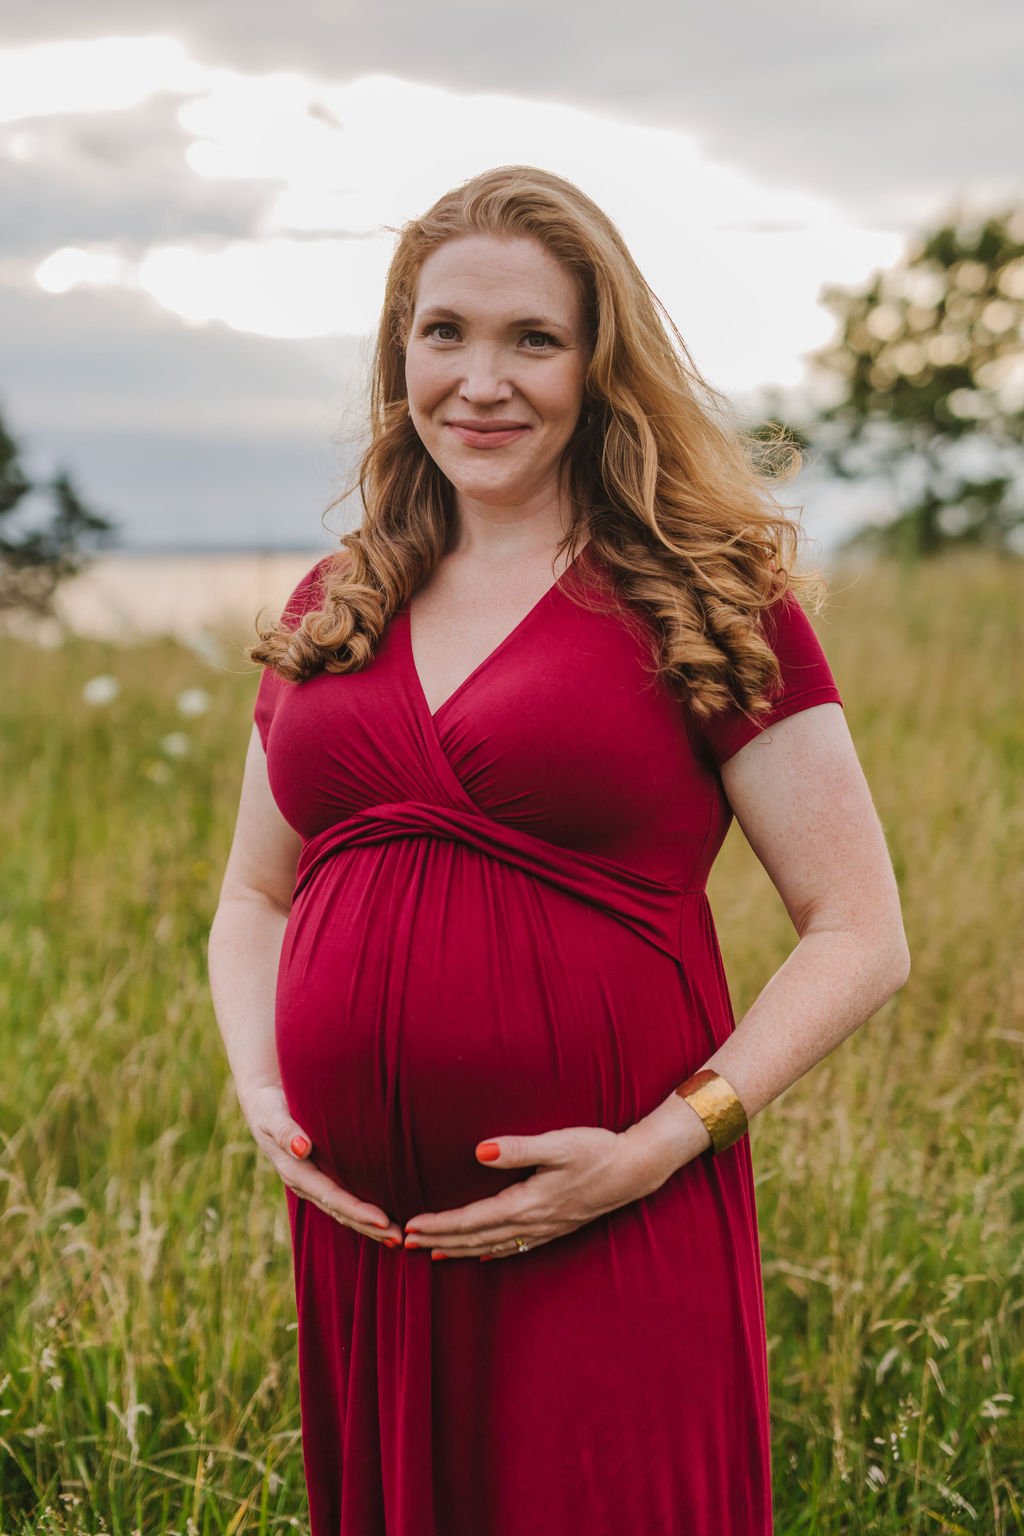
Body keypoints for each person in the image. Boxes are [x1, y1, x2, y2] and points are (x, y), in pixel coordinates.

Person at [207, 164, 910, 1536]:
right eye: (445, 332)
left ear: (599, 363)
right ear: (399, 351)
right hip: (374, 1244)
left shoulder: (701, 595)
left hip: (614, 1216)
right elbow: (253, 892)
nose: (482, 380)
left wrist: (658, 1147)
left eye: (534, 339)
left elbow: (861, 933)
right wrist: (265, 1095)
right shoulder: (335, 600)